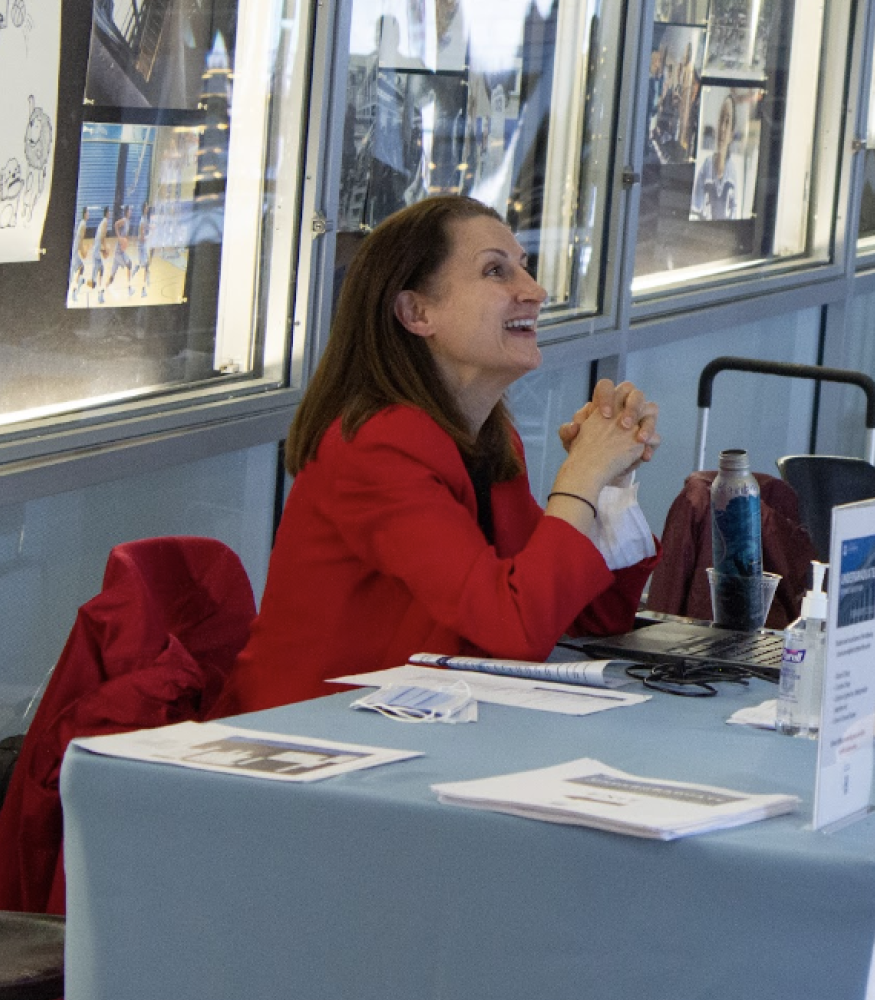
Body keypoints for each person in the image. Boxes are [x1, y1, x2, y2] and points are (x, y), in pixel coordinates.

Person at [212, 195, 664, 715]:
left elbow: (589, 617)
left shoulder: (489, 438)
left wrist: (607, 482)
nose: (535, 291)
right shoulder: (377, 448)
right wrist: (581, 474)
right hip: (308, 737)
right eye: (497, 271)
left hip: (416, 725)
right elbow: (517, 629)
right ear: (416, 311)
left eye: (525, 267)